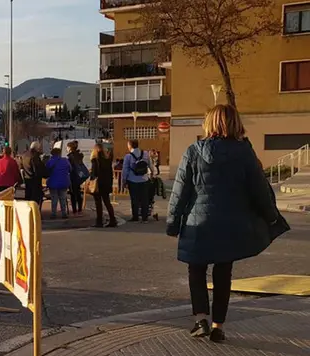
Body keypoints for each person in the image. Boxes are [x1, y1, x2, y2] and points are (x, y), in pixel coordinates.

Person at [167, 104, 282, 343]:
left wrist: (173, 221)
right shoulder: (244, 153)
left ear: (208, 124)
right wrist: (271, 216)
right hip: (231, 223)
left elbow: (180, 191)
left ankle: (201, 320)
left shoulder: (193, 151)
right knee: (223, 272)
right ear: (234, 123)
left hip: (198, 222)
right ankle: (218, 326)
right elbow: (259, 189)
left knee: (196, 269)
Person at [121, 139, 151, 222]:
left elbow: (125, 170)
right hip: (144, 180)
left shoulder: (128, 156)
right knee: (145, 199)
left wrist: (124, 181)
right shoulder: (145, 153)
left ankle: (135, 217)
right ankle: (145, 217)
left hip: (132, 180)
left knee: (134, 199)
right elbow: (150, 165)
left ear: (130, 145)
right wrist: (151, 176)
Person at [89, 143, 117, 228]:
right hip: (106, 183)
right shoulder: (107, 160)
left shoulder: (95, 160)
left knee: (98, 203)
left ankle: (99, 221)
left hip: (98, 184)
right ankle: (112, 219)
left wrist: (91, 178)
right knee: (107, 202)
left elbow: (94, 174)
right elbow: (110, 173)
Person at [45, 147, 71, 219]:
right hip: (64, 182)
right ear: (60, 153)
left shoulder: (50, 162)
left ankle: (53, 214)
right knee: (63, 198)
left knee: (54, 199)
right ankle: (64, 213)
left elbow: (46, 171)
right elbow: (70, 169)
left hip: (53, 183)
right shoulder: (65, 160)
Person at [21, 141, 47, 208]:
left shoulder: (24, 155)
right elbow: (37, 169)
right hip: (35, 181)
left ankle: (28, 214)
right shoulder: (35, 156)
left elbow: (21, 167)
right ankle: (35, 215)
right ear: (37, 148)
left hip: (27, 179)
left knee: (28, 199)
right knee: (35, 200)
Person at [66, 141, 86, 215]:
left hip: (73, 176)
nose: (66, 149)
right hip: (78, 176)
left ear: (70, 148)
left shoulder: (71, 157)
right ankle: (79, 209)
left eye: (67, 147)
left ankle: (74, 210)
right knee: (77, 192)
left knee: (73, 194)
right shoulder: (79, 155)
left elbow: (70, 168)